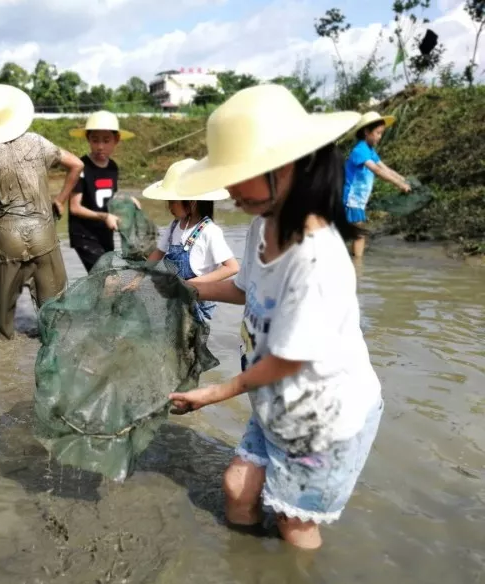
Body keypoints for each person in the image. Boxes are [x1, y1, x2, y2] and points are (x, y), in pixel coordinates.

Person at [168, 84, 383, 550]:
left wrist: (214, 393)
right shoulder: (262, 226)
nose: (227, 188)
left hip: (323, 414)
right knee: (238, 490)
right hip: (276, 399)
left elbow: (288, 359)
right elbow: (243, 288)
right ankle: (248, 568)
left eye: (237, 174)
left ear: (282, 168)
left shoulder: (317, 260)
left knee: (294, 523)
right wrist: (182, 289)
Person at [0, 84, 84, 340]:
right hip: (43, 233)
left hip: (6, 237)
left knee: (4, 322)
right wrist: (59, 200)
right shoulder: (37, 142)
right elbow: (76, 164)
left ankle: (3, 364)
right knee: (54, 314)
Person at [142, 158, 239, 324]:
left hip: (197, 304)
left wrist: (189, 284)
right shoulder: (174, 227)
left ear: (192, 201)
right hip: (174, 299)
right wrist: (139, 276)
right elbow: (158, 253)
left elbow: (231, 267)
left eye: (173, 202)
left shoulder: (209, 231)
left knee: (190, 346)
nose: (169, 207)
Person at [67, 111, 137, 272]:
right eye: (95, 140)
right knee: (107, 278)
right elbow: (75, 208)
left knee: (106, 280)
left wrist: (127, 199)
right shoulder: (80, 167)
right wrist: (105, 216)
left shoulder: (113, 167)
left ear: (116, 140)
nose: (100, 146)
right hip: (84, 235)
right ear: (88, 139)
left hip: (105, 233)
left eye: (106, 141)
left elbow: (112, 198)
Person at [343, 111, 411, 258]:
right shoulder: (359, 150)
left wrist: (402, 178)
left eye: (381, 133)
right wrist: (399, 185)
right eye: (378, 133)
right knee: (358, 234)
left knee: (354, 233)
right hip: (351, 199)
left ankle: (353, 261)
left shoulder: (369, 150)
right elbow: (376, 170)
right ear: (367, 132)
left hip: (358, 201)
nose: (380, 137)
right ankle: (358, 265)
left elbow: (384, 167)